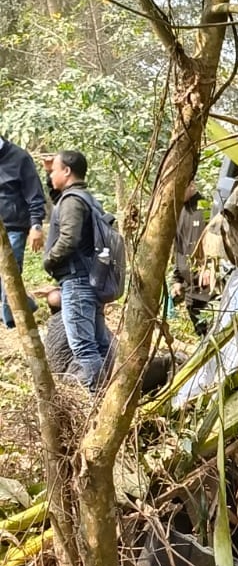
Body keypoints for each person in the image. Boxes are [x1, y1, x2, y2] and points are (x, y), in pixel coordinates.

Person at [42, 150, 112, 391]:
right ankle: (108, 396)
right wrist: (48, 171)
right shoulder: (87, 199)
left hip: (77, 282)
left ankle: (96, 397)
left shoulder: (72, 201)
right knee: (100, 345)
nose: (52, 175)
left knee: (84, 348)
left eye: (54, 170)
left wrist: (49, 260)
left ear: (67, 171)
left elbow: (69, 239)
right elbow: (57, 199)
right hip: (91, 280)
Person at [0, 134, 46, 327]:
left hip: (14, 228)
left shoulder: (19, 157)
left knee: (10, 274)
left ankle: (12, 321)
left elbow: (35, 194)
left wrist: (36, 225)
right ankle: (24, 306)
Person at [171, 179, 211, 335]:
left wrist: (209, 267)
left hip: (205, 285)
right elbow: (178, 247)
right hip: (188, 285)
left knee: (211, 328)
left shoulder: (205, 208)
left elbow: (215, 240)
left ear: (192, 184)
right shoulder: (180, 211)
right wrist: (177, 279)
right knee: (200, 330)